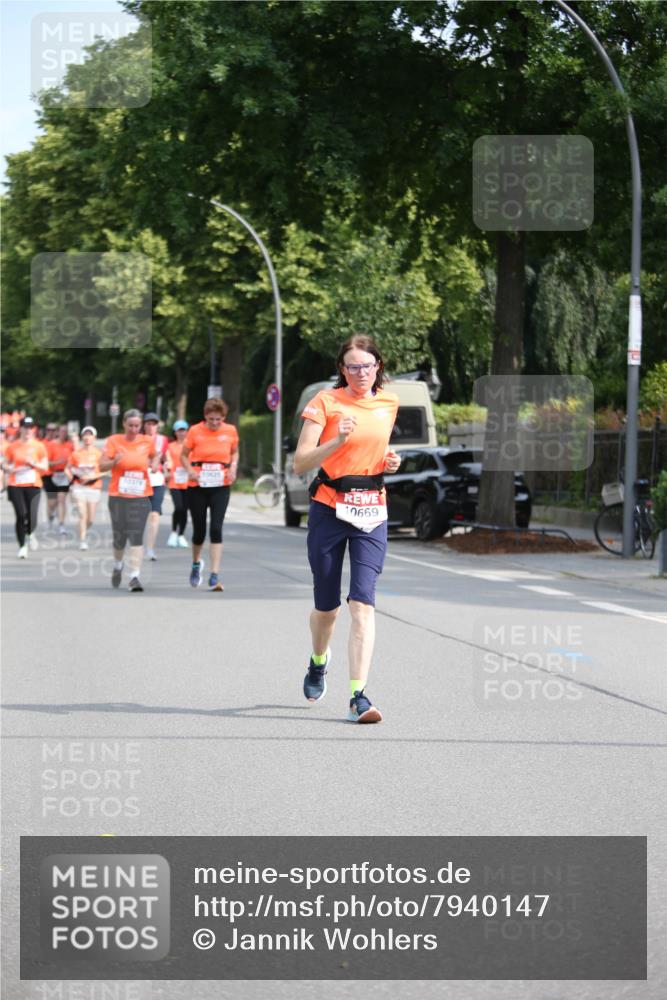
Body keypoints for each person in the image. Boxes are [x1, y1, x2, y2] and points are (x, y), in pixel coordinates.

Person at [294, 335, 401, 723]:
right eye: (352, 366)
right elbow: (300, 463)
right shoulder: (325, 402)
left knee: (363, 605)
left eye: (367, 366)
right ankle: (318, 661)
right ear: (342, 369)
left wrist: (391, 462)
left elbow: (376, 451)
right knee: (328, 607)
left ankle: (359, 696)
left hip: (372, 510)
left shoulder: (389, 403)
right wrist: (337, 439)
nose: (360, 373)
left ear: (378, 367)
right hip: (329, 508)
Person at [180, 398, 239, 591]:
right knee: (199, 531)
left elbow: (235, 452)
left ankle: (214, 574)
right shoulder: (195, 431)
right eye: (211, 419)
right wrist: (189, 470)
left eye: (218, 419)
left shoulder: (230, 430)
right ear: (205, 416)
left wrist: (234, 467)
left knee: (216, 527)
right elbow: (183, 455)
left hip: (220, 484)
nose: (215, 423)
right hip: (197, 484)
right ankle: (196, 564)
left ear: (224, 417)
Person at [99, 409, 158, 592]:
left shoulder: (147, 441)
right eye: (130, 425)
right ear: (124, 424)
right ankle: (118, 566)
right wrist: (114, 461)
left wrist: (155, 464)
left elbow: (155, 455)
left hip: (140, 496)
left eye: (137, 426)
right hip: (118, 496)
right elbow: (101, 466)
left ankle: (134, 577)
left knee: (136, 535)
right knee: (120, 537)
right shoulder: (114, 441)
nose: (133, 429)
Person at [3, 416, 49, 557]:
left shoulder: (39, 446)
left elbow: (45, 466)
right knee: (21, 514)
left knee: (32, 515)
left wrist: (34, 463)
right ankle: (22, 546)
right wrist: (10, 468)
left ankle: (30, 533)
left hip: (33, 484)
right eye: (25, 427)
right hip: (16, 484)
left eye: (30, 427)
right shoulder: (13, 446)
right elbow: (5, 463)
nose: (28, 430)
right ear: (21, 429)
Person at [67, 426, 103, 550]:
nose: (88, 437)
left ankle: (83, 530)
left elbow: (106, 470)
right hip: (79, 486)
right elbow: (68, 468)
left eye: (90, 435)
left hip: (94, 487)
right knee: (82, 514)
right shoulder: (76, 454)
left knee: (91, 519)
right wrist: (72, 479)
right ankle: (83, 540)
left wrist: (94, 475)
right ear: (82, 437)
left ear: (94, 438)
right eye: (85, 435)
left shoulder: (99, 454)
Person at [142, 413, 169, 560]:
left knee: (154, 514)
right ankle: (137, 545)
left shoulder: (163, 440)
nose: (151, 426)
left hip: (157, 480)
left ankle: (150, 548)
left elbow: (166, 457)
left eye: (154, 424)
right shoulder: (139, 440)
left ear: (157, 426)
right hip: (141, 480)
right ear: (143, 425)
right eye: (148, 423)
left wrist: (167, 464)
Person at [164, 420, 190, 547]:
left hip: (188, 481)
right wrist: (167, 470)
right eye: (179, 430)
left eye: (184, 430)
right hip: (175, 481)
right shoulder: (170, 446)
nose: (181, 433)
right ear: (175, 432)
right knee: (178, 507)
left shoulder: (191, 446)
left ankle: (181, 535)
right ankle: (174, 532)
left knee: (185, 509)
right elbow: (167, 460)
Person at [44, 423, 74, 532]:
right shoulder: (51, 445)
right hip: (51, 474)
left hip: (64, 475)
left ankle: (61, 523)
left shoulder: (70, 445)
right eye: (61, 431)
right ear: (58, 432)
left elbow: (75, 458)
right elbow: (46, 462)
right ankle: (50, 518)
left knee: (62, 499)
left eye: (65, 431)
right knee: (52, 502)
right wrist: (58, 462)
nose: (63, 433)